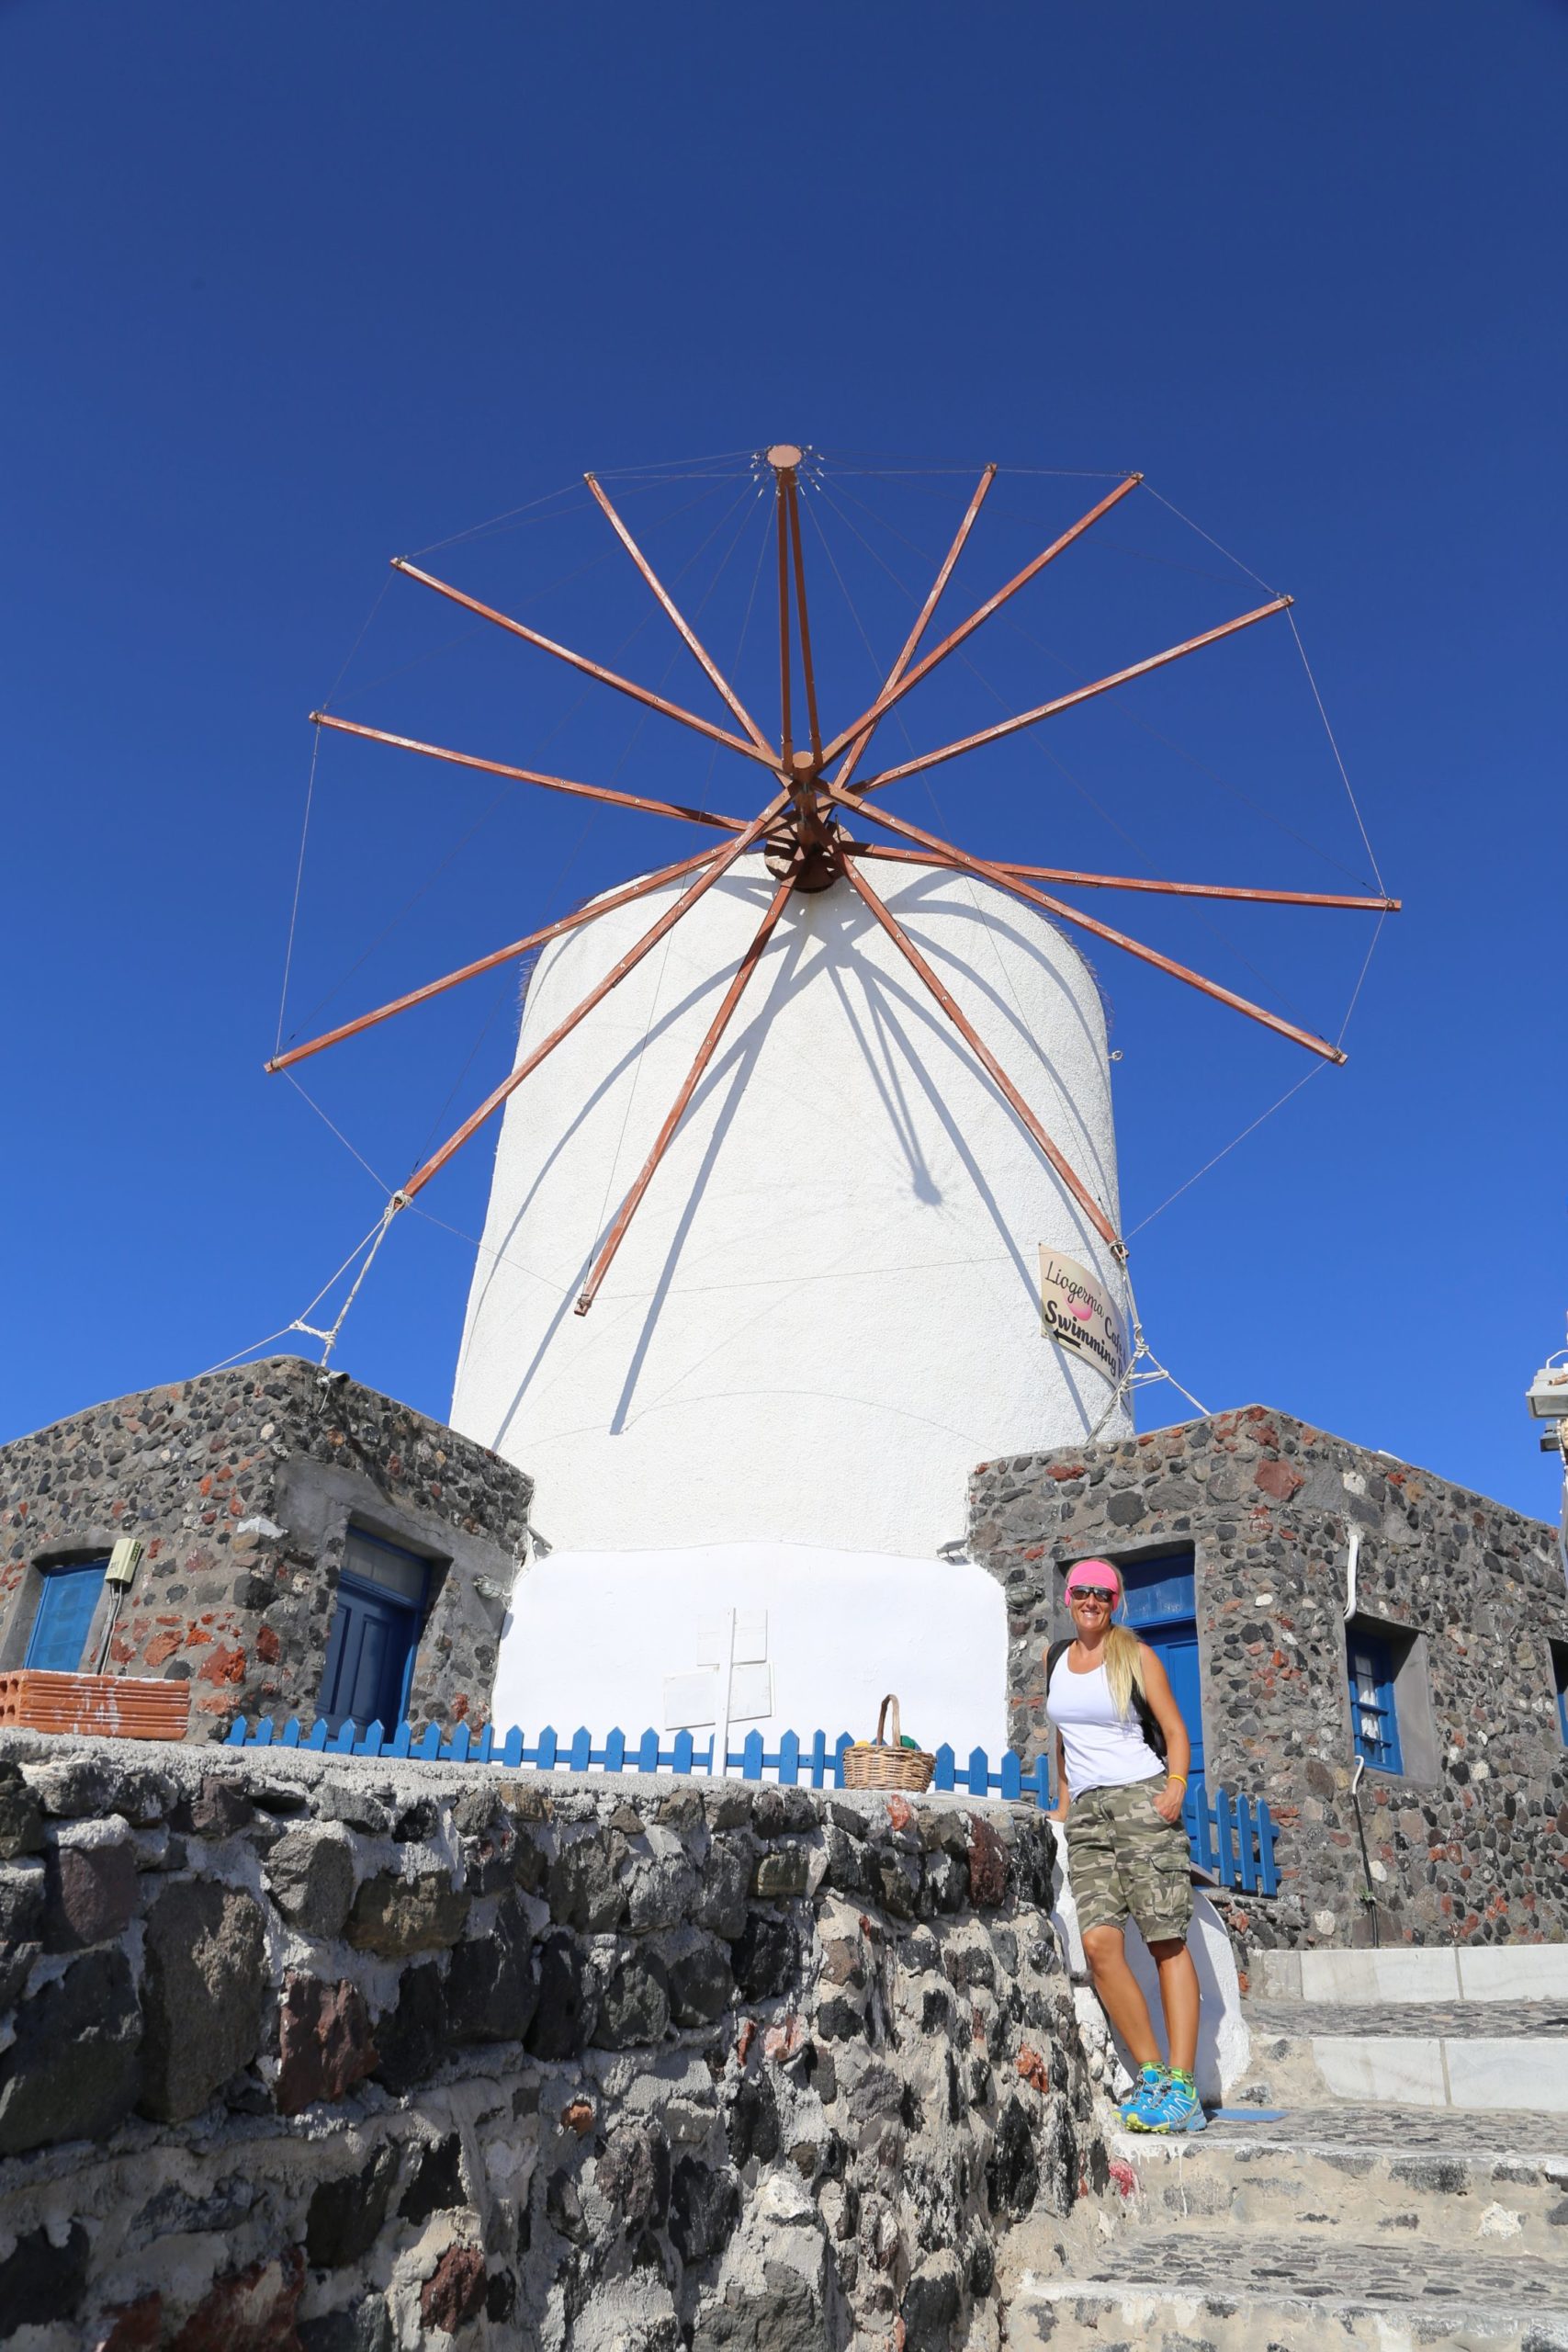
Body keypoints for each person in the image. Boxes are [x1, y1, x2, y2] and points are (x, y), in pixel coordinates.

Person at [1045, 1557, 1206, 2132]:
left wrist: (1175, 1788)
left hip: (1141, 1799)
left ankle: (1182, 2088)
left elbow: (1174, 1730)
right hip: (1088, 1814)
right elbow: (1064, 1739)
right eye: (1082, 1591)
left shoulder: (1136, 1656)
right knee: (1100, 1945)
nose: (1092, 1600)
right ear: (1068, 1597)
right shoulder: (1054, 1660)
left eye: (1103, 1594)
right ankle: (1155, 2077)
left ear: (1117, 1602)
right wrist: (1063, 1804)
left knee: (1165, 1937)